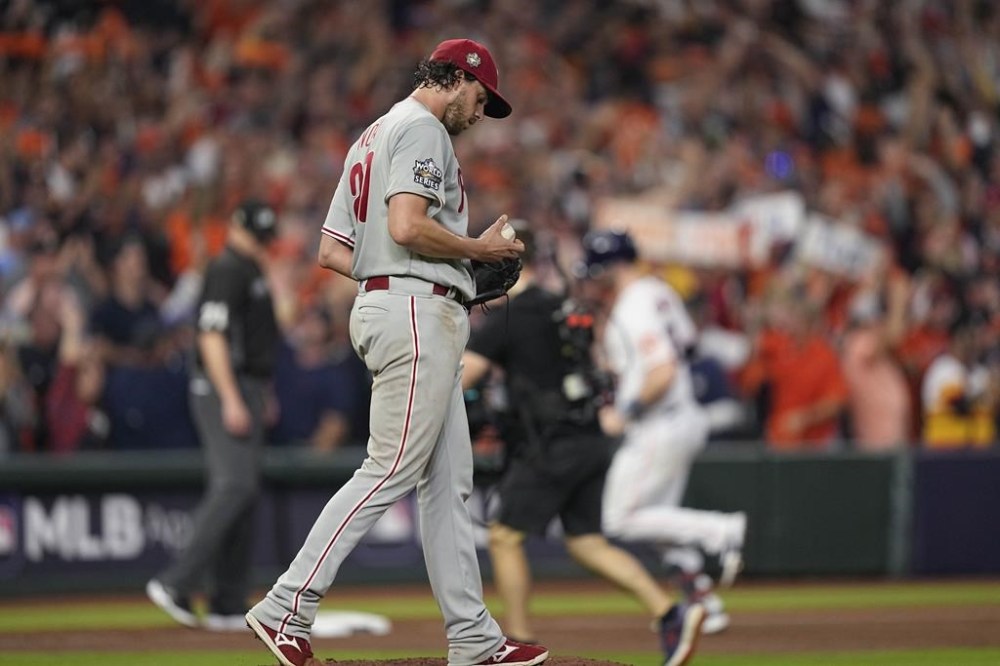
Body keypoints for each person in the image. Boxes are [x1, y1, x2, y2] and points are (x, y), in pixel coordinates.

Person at [245, 39, 550, 666]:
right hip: (415, 313)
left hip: (399, 304)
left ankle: (473, 639)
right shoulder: (423, 129)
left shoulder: (373, 135)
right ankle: (285, 607)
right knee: (389, 469)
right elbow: (408, 226)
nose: (479, 114)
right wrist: (476, 255)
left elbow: (333, 250)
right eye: (482, 99)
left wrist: (397, 271)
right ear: (459, 80)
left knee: (448, 483)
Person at [461, 220, 706, 664]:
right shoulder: (561, 305)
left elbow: (462, 378)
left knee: (504, 536)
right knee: (586, 542)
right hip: (590, 437)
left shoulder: (509, 317)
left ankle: (517, 636)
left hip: (552, 443)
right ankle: (669, 612)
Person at [579, 229, 747, 636]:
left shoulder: (633, 307)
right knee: (658, 522)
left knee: (620, 519)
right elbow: (687, 347)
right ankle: (702, 600)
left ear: (614, 265)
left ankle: (721, 532)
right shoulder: (659, 291)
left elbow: (664, 371)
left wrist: (628, 409)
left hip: (659, 421)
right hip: (683, 416)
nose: (593, 279)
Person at [146, 199, 280, 631]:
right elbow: (210, 336)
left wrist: (262, 392)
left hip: (247, 384)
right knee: (234, 485)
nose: (260, 243)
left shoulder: (250, 269)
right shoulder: (227, 269)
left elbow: (254, 339)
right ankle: (176, 581)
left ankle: (227, 600)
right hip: (223, 384)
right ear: (237, 229)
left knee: (245, 491)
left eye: (264, 237)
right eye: (255, 235)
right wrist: (232, 397)